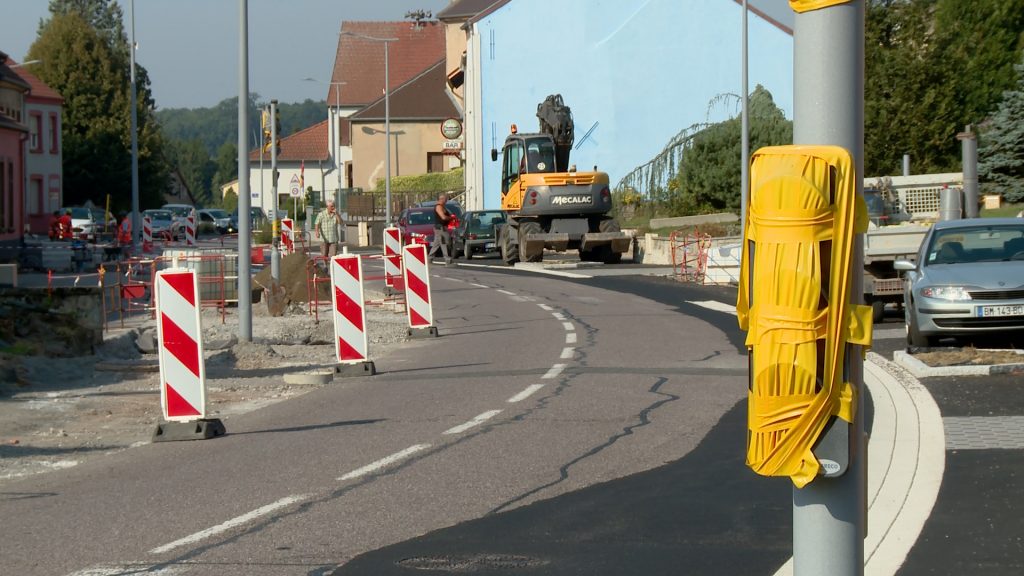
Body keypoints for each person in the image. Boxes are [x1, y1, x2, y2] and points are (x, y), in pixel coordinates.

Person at [428, 193, 453, 264]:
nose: (446, 201)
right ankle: (447, 259)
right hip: (440, 228)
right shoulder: (439, 207)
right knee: (445, 242)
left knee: (437, 243)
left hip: (441, 228)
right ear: (442, 199)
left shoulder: (442, 206)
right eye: (446, 199)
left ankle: (430, 258)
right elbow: (443, 217)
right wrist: (451, 218)